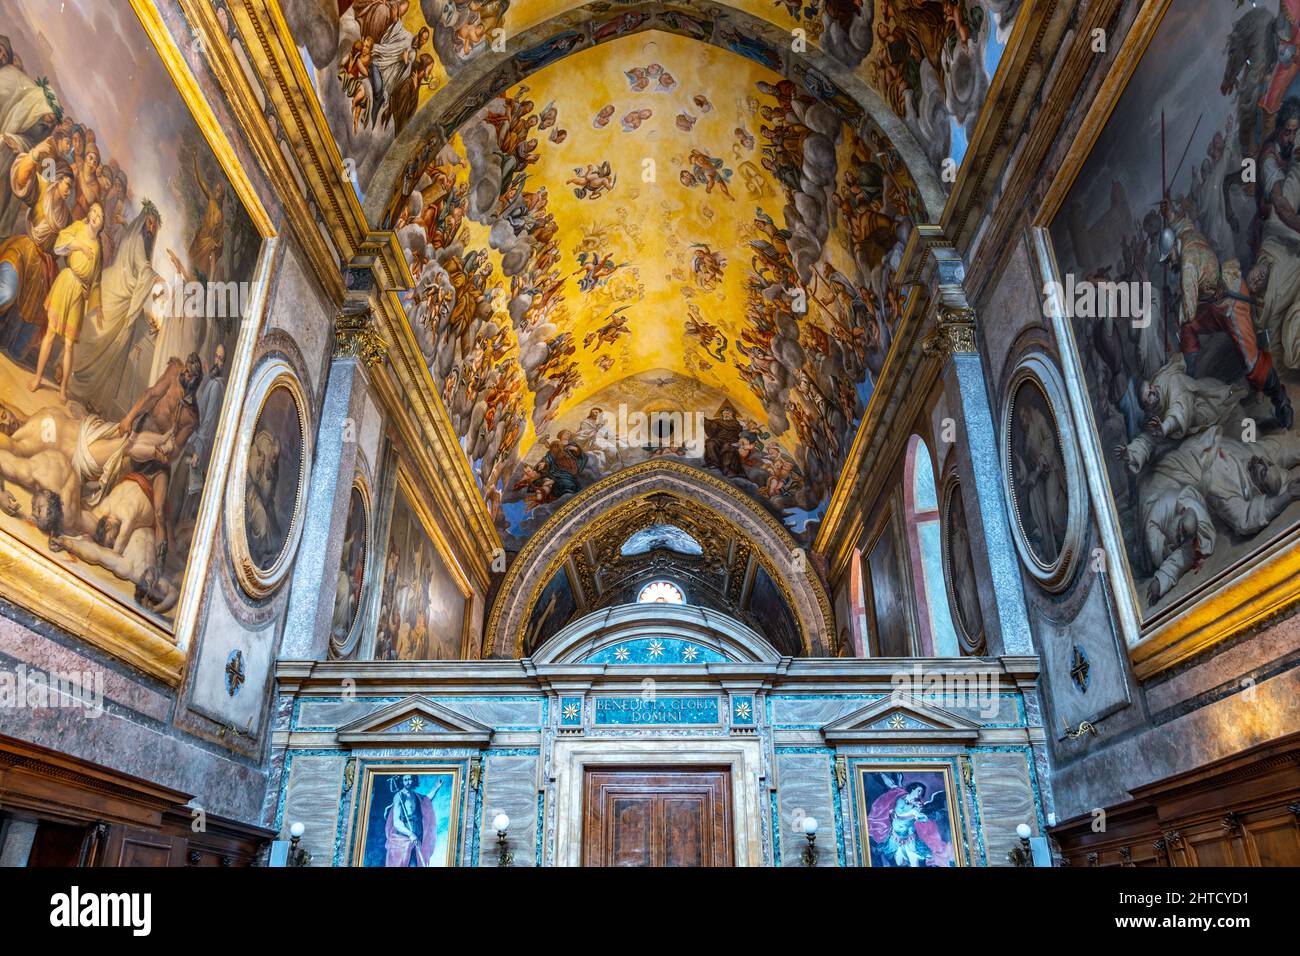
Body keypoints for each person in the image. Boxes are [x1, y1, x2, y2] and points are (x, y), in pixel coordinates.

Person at [31, 202, 103, 402]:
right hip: (66, 282)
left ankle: (63, 389)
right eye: (95, 212)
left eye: (101, 216)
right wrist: (78, 245)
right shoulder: (78, 227)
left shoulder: (99, 247)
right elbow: (59, 246)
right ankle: (37, 378)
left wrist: (89, 294)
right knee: (51, 333)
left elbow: (96, 280)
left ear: (102, 223)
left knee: (70, 344)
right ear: (89, 214)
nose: (97, 216)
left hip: (79, 294)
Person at [382, 773, 439, 867]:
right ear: (402, 781)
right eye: (405, 780)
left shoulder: (415, 796)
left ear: (414, 780)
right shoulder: (399, 796)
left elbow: (426, 800)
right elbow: (396, 822)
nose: (408, 782)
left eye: (410, 779)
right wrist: (410, 834)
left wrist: (436, 788)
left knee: (416, 862)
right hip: (405, 834)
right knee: (407, 862)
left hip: (417, 831)